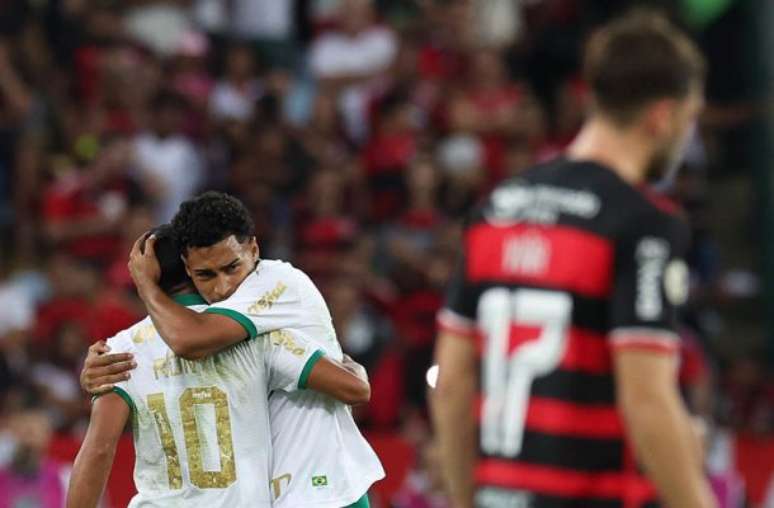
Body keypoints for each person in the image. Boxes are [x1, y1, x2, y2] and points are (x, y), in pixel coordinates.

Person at [431, 11, 717, 508]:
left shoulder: (497, 208)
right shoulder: (645, 221)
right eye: (689, 119)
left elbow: (452, 382)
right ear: (661, 116)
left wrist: (464, 500)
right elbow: (646, 400)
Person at [81, 192, 384, 508]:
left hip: (322, 488)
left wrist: (146, 286)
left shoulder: (275, 284)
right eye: (206, 275)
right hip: (280, 493)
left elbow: (188, 342)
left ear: (254, 248)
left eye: (232, 267)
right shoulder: (231, 322)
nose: (223, 287)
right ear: (187, 267)